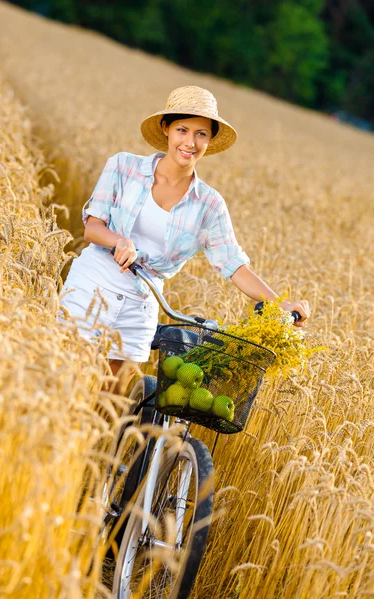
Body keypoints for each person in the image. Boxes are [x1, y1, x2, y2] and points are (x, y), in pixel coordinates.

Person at [60, 85, 310, 392]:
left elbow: (234, 265)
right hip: (93, 283)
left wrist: (278, 305)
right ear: (166, 129)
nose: (190, 142)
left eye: (201, 134)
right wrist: (119, 241)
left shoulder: (209, 204)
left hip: (142, 302)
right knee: (66, 375)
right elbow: (93, 227)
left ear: (210, 139)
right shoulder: (123, 166)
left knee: (107, 398)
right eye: (182, 130)